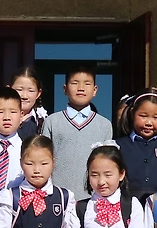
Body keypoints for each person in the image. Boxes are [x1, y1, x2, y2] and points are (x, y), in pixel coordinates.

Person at [40, 64, 114, 196]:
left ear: (95, 90)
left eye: (87, 83)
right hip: (58, 195)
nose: (81, 88)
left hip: (93, 197)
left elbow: (108, 163)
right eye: (74, 83)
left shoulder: (104, 125)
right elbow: (42, 159)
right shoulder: (52, 121)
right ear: (65, 89)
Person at [116, 92, 157, 201]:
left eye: (156, 117)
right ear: (132, 114)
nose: (149, 122)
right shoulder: (118, 146)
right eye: (143, 116)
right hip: (127, 203)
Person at [0, 67, 47, 141]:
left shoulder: (42, 120)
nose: (24, 96)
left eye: (31, 91)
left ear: (38, 93)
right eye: (19, 90)